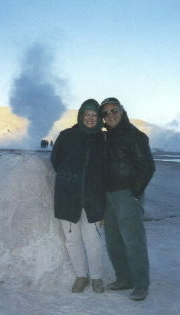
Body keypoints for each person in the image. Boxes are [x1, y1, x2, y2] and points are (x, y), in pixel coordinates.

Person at [99, 97, 155, 301]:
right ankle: (124, 278)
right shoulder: (106, 137)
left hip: (127, 195)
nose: (111, 115)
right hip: (109, 195)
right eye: (105, 113)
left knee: (133, 241)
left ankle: (141, 284)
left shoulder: (134, 135)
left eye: (114, 110)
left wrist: (135, 193)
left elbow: (147, 166)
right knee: (113, 241)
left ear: (122, 111)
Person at [51, 99, 106, 293]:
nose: (90, 118)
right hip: (68, 196)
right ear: (81, 115)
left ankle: (97, 277)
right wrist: (70, 179)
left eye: (94, 115)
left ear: (98, 118)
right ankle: (81, 276)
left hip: (94, 197)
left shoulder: (103, 139)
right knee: (72, 239)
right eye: (87, 114)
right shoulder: (67, 136)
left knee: (94, 239)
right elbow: (55, 160)